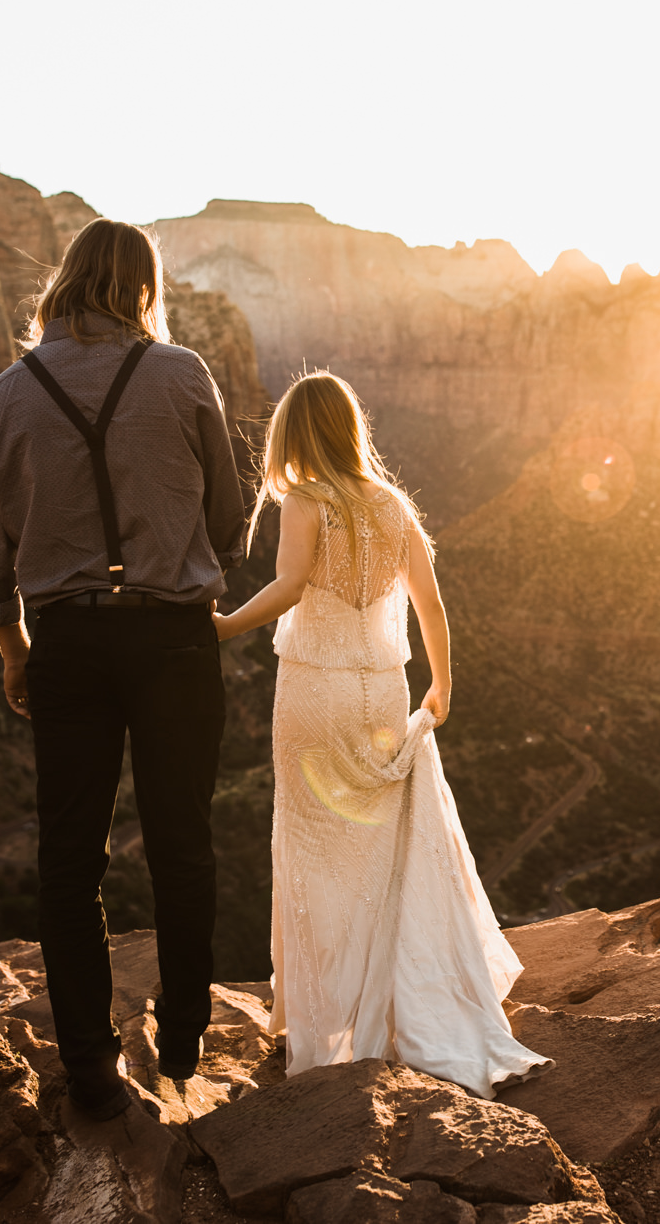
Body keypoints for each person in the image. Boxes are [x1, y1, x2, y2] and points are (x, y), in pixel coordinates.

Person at [0, 219, 249, 1120]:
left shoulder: (6, 394)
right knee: (181, 840)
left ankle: (88, 1065)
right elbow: (233, 522)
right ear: (140, 286)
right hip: (173, 637)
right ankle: (184, 1036)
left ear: (67, 282)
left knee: (69, 856)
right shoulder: (184, 373)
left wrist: (15, 651)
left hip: (67, 646)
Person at [213, 372, 549, 1098]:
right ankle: (388, 1003)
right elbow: (429, 601)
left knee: (310, 852)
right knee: (378, 853)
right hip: (383, 692)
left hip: (314, 691)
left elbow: (290, 586)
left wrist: (225, 625)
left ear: (296, 436)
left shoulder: (306, 502)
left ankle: (317, 1013)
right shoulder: (394, 506)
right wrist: (443, 686)